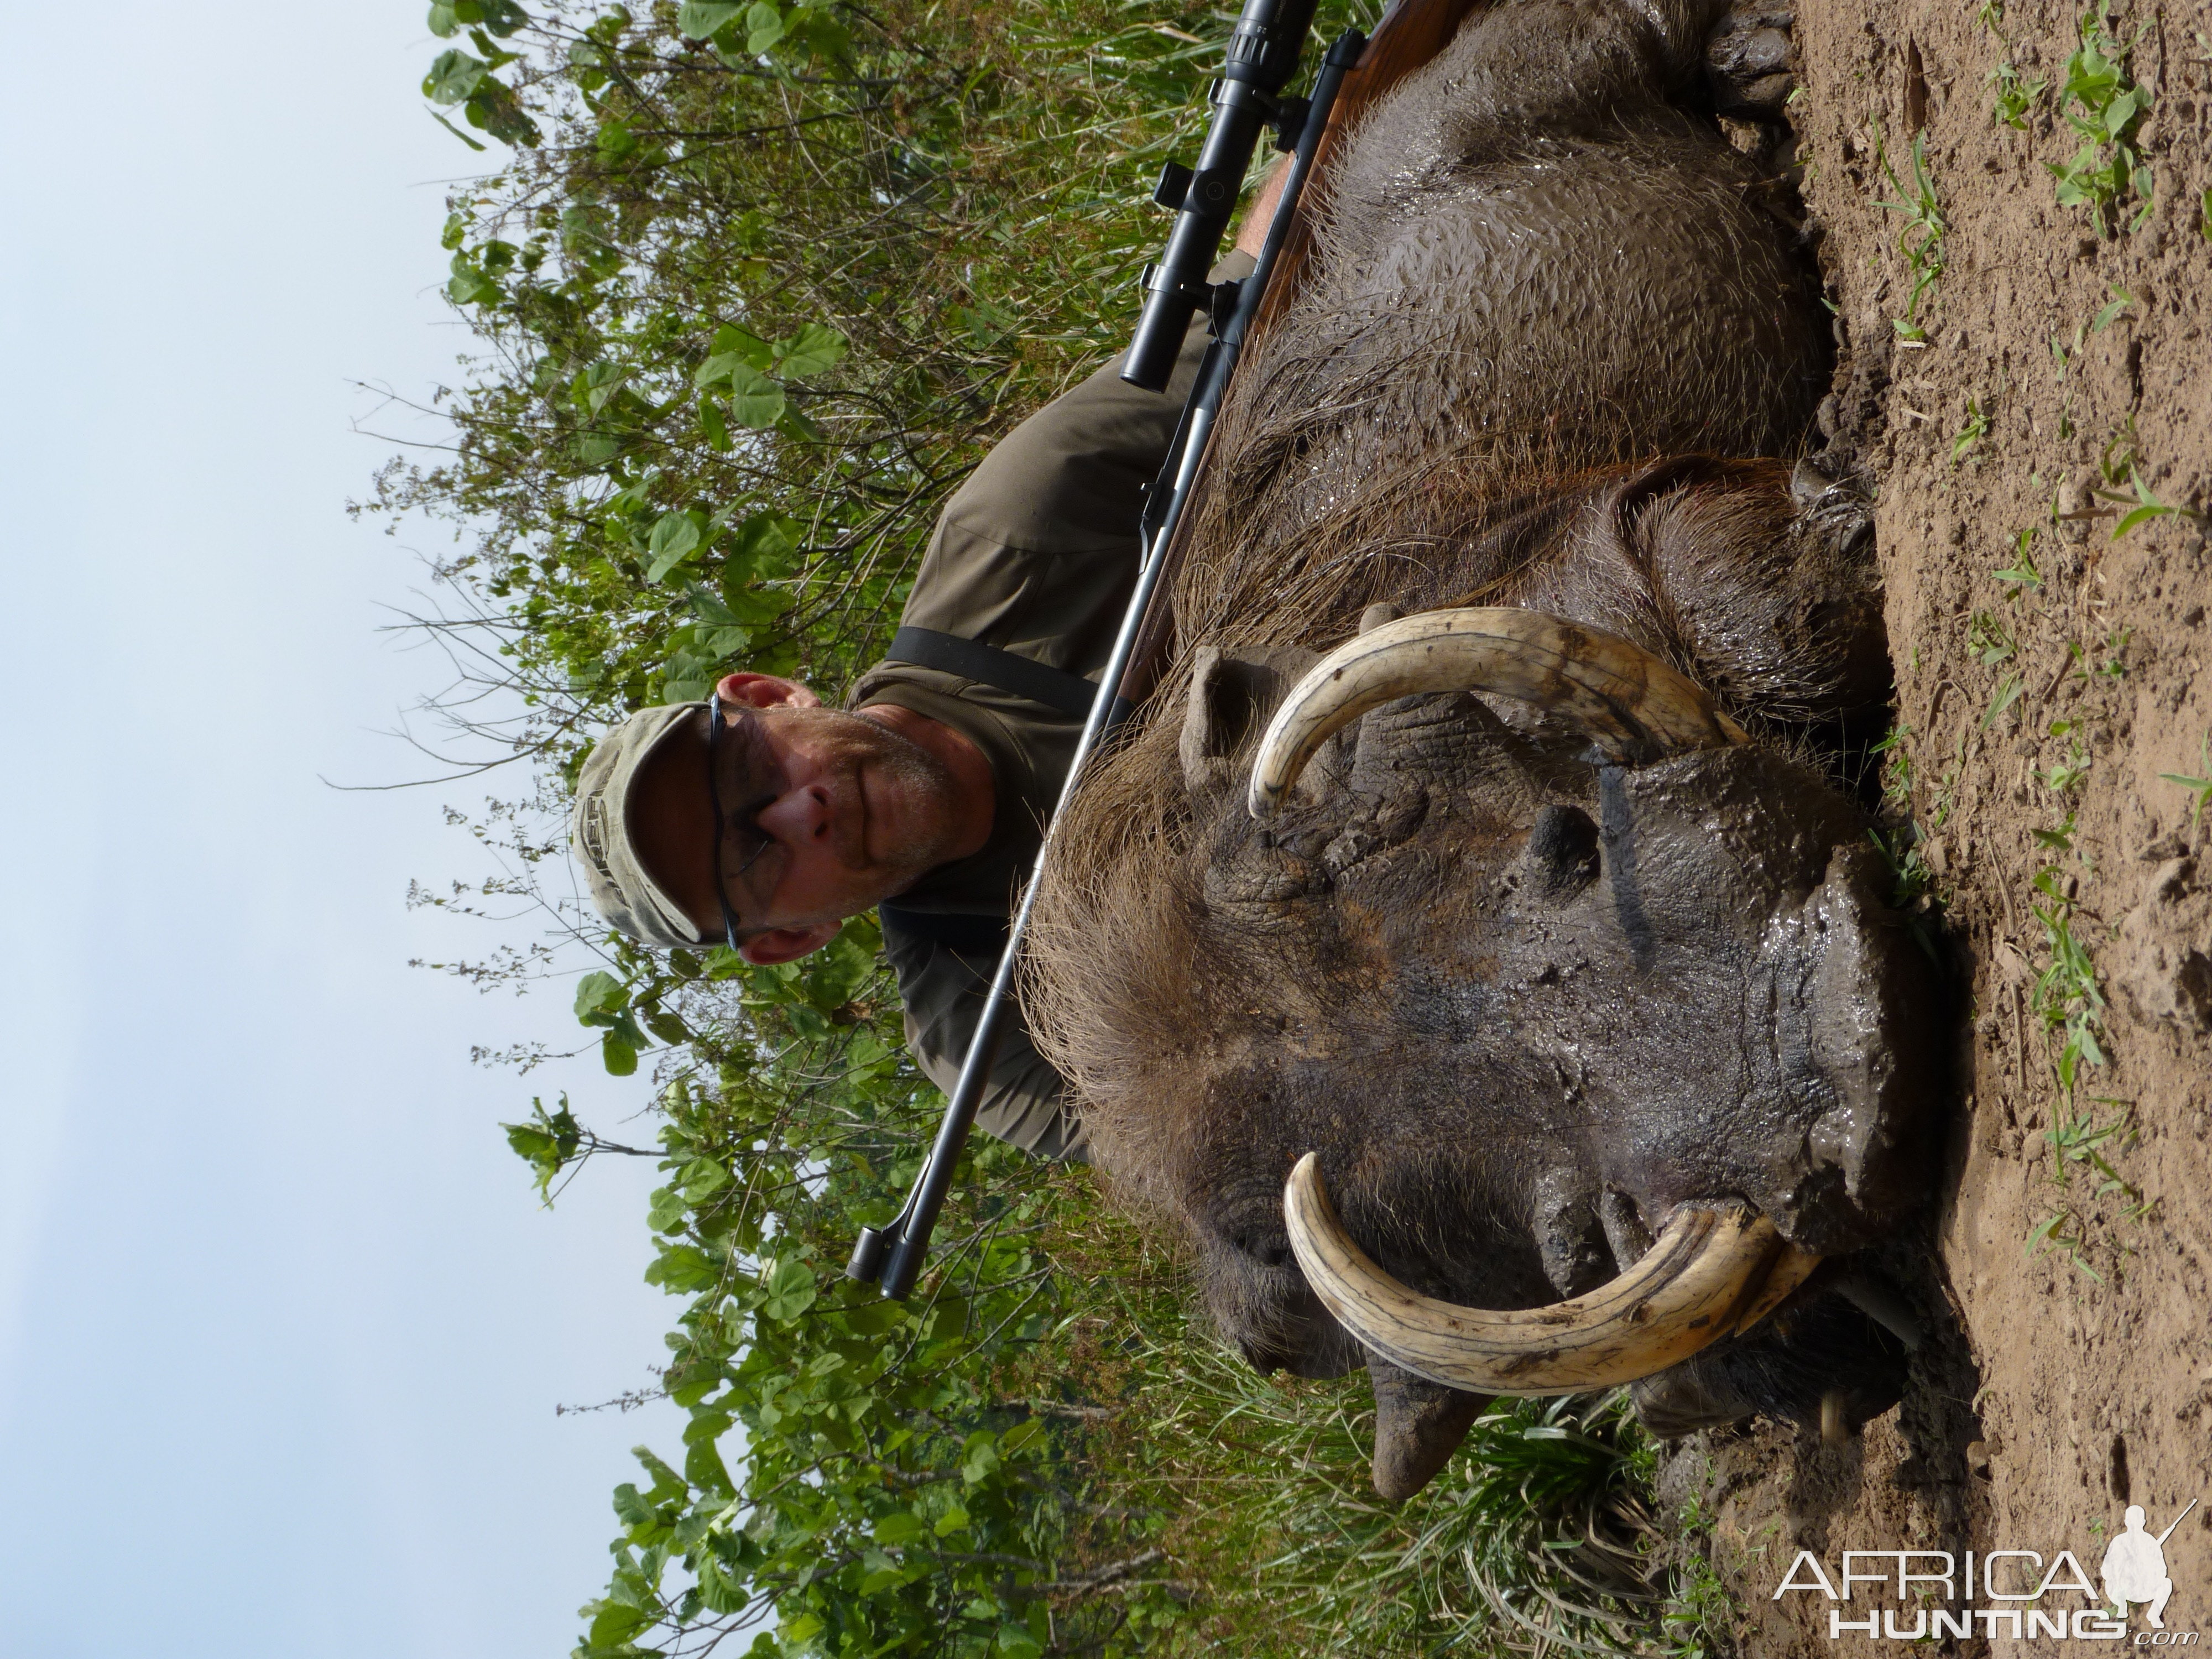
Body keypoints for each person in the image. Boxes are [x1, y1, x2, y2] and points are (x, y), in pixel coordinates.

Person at [568, 174, 1285, 1162]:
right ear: (788, 939)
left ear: (771, 697)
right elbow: (1241, 1162)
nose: (797, 813)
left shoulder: (1021, 527)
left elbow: (1272, 277)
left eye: (753, 775)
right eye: (752, 856)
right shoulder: (996, 1048)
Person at [2101, 1504, 2176, 1629]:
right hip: (2121, 1589)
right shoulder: (2119, 1542)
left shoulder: (2150, 1542)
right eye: (2132, 1521)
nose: (2135, 1525)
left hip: (2142, 1588)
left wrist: (2147, 1568)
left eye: (2137, 1521)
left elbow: (2163, 1570)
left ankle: (2154, 1614)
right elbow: (2106, 1570)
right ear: (2126, 1522)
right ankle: (2122, 1605)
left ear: (2143, 1522)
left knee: (2166, 1584)